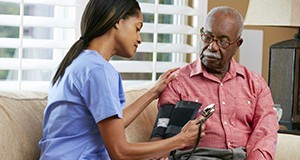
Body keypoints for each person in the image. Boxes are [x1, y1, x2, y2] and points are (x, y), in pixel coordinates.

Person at [38, 0, 206, 160]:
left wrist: (153, 92)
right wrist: (181, 140)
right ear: (118, 21)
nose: (139, 39)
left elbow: (111, 127)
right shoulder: (98, 71)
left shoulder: (78, 63)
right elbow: (120, 152)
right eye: (137, 28)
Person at [150, 6, 279, 160]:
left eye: (223, 42)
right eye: (208, 37)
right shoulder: (177, 81)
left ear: (237, 44)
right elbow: (161, 132)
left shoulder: (255, 84)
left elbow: (265, 132)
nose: (212, 46)